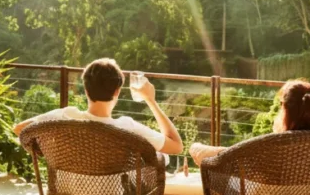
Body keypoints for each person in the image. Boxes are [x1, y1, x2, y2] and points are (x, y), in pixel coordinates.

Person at [13, 58, 183, 157]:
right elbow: (176, 147)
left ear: (86, 90)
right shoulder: (127, 127)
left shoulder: (66, 116)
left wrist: (51, 152)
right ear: (117, 91)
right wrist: (150, 100)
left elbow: (20, 129)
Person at [188, 79, 310, 167]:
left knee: (224, 166)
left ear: (285, 108)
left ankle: (199, 149)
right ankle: (201, 150)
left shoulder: (280, 144)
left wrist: (199, 149)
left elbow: (241, 157)